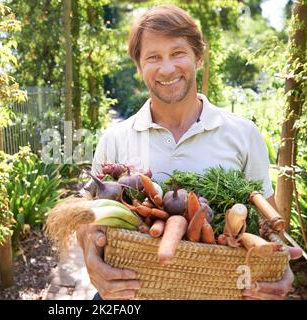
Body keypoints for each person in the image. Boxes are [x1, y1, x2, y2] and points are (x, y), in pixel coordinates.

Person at [76, 4, 302, 300]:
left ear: (198, 56)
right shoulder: (115, 138)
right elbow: (88, 220)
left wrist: (279, 267)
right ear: (139, 66)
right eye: (153, 57)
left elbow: (266, 222)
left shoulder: (243, 134)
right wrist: (91, 261)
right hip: (132, 295)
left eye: (177, 53)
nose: (167, 68)